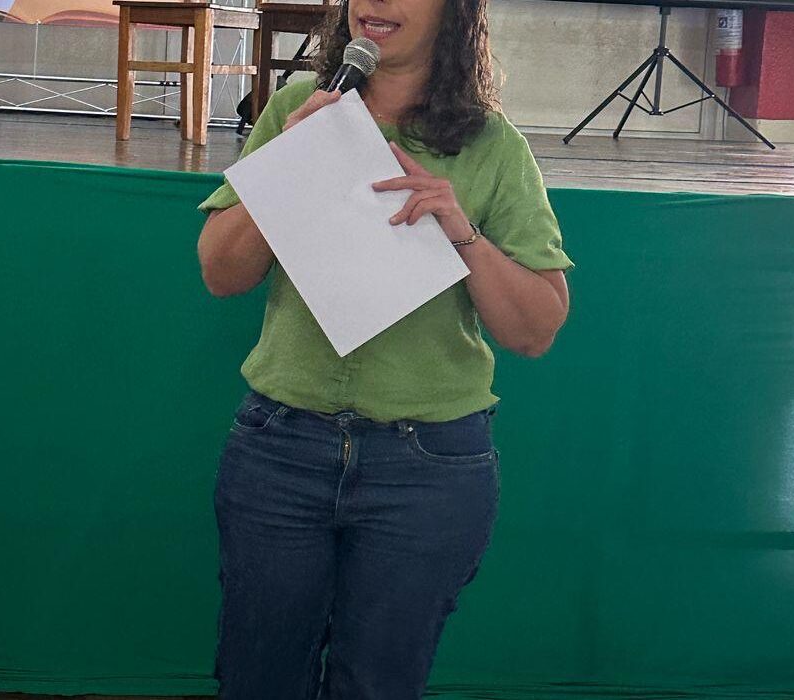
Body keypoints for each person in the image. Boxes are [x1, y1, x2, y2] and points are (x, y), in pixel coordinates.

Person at [195, 0, 572, 694]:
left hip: (426, 466)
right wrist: (288, 168)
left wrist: (460, 232)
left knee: (378, 683)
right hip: (282, 448)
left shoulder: (493, 145)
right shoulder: (299, 108)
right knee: (258, 676)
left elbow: (536, 328)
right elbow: (222, 274)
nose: (377, 3)